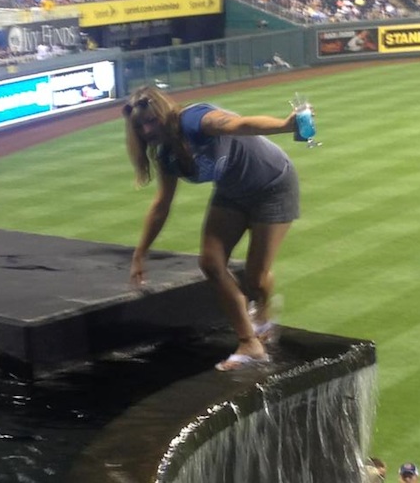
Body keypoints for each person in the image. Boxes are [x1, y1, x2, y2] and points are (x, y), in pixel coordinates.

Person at [122, 85, 303, 371]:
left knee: (256, 278)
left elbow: (240, 124)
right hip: (232, 192)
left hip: (273, 186)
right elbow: (161, 205)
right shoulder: (166, 156)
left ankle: (263, 313)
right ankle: (249, 343)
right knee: (210, 262)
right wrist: (139, 253)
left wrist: (283, 125)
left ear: (163, 113)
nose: (146, 130)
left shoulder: (196, 120)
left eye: (151, 121)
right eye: (140, 126)